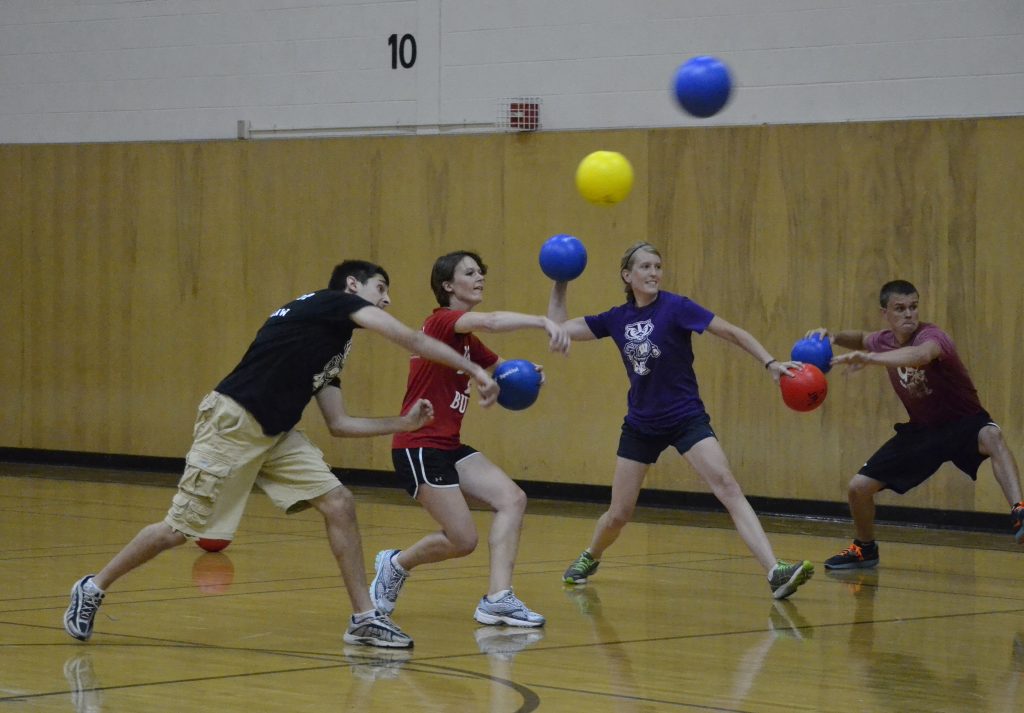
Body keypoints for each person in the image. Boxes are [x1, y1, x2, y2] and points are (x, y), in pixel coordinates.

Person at [63, 260, 499, 649]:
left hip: (276, 434)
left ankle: (365, 618)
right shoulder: (331, 303)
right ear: (352, 286)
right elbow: (413, 341)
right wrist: (477, 369)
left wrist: (402, 425)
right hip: (232, 422)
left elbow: (339, 423)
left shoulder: (332, 340)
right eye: (380, 288)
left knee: (339, 502)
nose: (385, 300)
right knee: (178, 530)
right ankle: (93, 587)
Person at [549, 241, 814, 600]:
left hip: (685, 416)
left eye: (658, 266)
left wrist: (770, 363)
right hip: (641, 424)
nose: (654, 273)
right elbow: (559, 327)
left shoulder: (676, 307)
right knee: (619, 514)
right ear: (628, 276)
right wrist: (560, 280)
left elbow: (732, 332)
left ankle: (774, 570)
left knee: (727, 486)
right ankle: (590, 556)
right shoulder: (616, 318)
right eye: (645, 267)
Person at [368, 250, 570, 628]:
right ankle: (395, 564)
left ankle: (498, 599)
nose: (480, 278)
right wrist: (541, 320)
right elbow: (492, 320)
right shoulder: (442, 322)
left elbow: (499, 371)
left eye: (481, 272)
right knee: (463, 540)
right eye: (470, 272)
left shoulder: (467, 342)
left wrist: (527, 375)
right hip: (419, 448)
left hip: (449, 446)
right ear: (448, 286)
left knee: (513, 498)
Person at [810, 279, 1024, 569]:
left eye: (913, 307)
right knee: (857, 488)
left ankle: (1019, 510)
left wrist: (872, 359)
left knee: (991, 435)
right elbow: (861, 337)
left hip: (963, 423)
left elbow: (921, 356)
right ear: (885, 313)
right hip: (922, 431)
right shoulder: (883, 340)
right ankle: (864, 549)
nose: (909, 314)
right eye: (900, 308)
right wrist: (832, 337)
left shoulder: (932, 336)